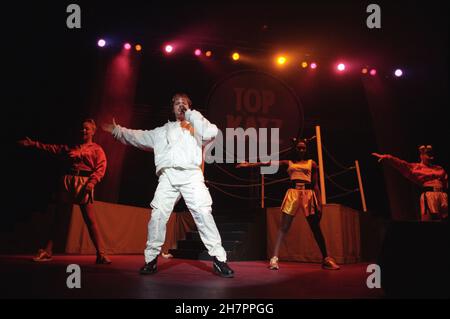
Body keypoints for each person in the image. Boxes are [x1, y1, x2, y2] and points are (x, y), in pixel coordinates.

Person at [102, 93, 234, 278]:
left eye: (184, 104)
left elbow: (212, 132)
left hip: (191, 175)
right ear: (172, 108)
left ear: (189, 107)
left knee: (203, 213)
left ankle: (220, 260)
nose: (180, 106)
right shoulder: (161, 131)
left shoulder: (196, 126)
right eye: (177, 104)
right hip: (168, 176)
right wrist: (118, 131)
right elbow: (138, 136)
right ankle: (151, 260)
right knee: (158, 215)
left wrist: (190, 115)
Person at [237, 138, 340, 270]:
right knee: (283, 227)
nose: (301, 150)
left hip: (308, 195)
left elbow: (315, 185)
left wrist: (319, 204)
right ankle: (274, 259)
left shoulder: (312, 163)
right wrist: (250, 164)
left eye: (303, 148)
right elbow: (269, 163)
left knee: (315, 227)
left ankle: (326, 258)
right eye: (299, 148)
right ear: (295, 149)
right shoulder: (289, 162)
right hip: (293, 194)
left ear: (306, 149)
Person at [18, 119, 111, 264]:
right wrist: (33, 144)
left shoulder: (97, 150)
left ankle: (101, 254)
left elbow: (101, 167)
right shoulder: (71, 147)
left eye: (87, 129)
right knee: (59, 218)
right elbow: (52, 148)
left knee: (90, 220)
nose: (83, 131)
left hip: (83, 183)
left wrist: (92, 182)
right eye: (82, 129)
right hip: (68, 181)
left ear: (93, 131)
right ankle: (48, 251)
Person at [372, 145, 448, 221]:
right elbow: (401, 164)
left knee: (444, 222)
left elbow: (445, 182)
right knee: (429, 221)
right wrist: (388, 158)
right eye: (429, 155)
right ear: (421, 156)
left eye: (432, 155)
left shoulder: (438, 168)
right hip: (430, 196)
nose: (432, 158)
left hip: (442, 196)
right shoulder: (416, 168)